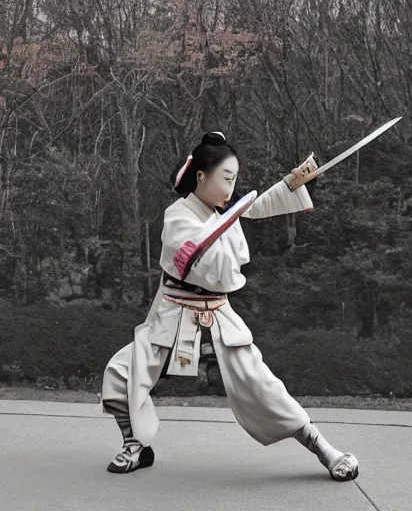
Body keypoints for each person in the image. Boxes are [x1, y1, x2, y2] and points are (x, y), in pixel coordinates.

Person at [100, 131, 358, 481]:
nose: (230, 187)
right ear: (201, 177)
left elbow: (257, 206)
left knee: (264, 386)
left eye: (234, 180)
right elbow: (195, 257)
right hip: (173, 315)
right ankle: (135, 445)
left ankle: (324, 449)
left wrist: (291, 183)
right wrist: (235, 212)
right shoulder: (179, 215)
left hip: (218, 316)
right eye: (226, 178)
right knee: (120, 374)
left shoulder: (224, 211)